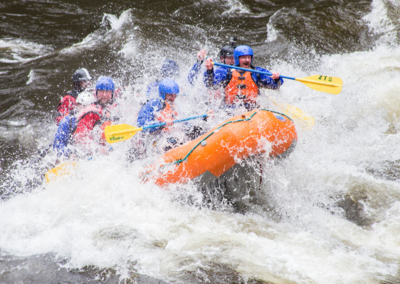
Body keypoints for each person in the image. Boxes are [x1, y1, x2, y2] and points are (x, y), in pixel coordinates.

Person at [203, 45, 283, 112]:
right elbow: (210, 84)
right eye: (244, 58)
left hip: (252, 110)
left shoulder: (257, 72)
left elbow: (275, 86)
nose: (247, 60)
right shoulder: (225, 71)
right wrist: (209, 70)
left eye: (249, 57)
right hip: (230, 111)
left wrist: (276, 78)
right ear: (237, 59)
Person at [53, 77, 116, 160]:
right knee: (70, 155)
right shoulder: (89, 112)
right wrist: (97, 149)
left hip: (85, 145)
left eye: (107, 92)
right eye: (101, 92)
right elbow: (80, 136)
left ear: (112, 94)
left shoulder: (113, 109)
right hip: (68, 144)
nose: (104, 95)